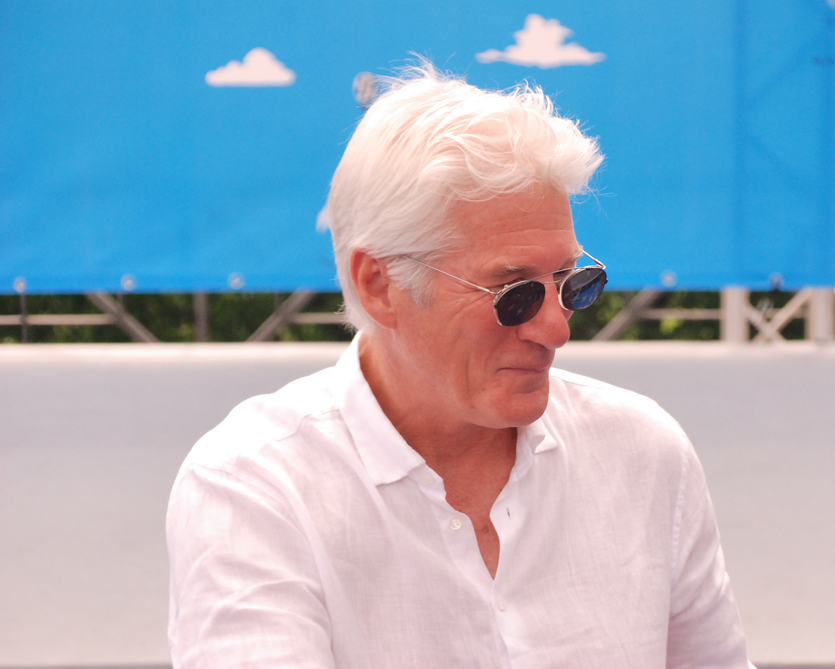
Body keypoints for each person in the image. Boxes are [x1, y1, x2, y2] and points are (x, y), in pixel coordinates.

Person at [167, 63, 752, 668]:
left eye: (574, 283)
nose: (557, 327)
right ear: (379, 285)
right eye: (514, 294)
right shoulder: (256, 487)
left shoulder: (643, 453)